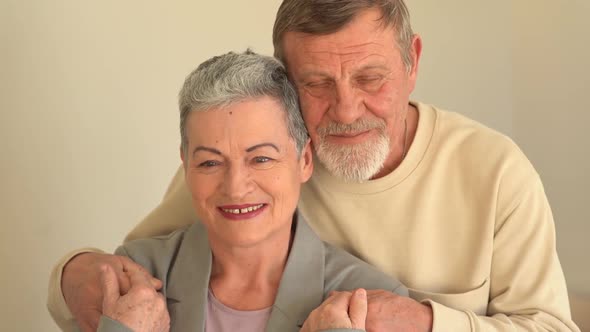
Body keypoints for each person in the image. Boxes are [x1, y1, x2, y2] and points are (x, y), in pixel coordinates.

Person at [48, 0, 580, 331]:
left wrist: (426, 323)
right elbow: (135, 263)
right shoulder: (247, 168)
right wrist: (73, 274)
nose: (346, 110)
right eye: (317, 83)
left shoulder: (495, 170)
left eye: (370, 78)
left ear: (413, 61)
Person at [93, 50, 407, 332]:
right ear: (185, 163)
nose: (235, 187)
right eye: (210, 163)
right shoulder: (134, 275)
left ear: (305, 160)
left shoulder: (371, 298)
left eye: (261, 159)